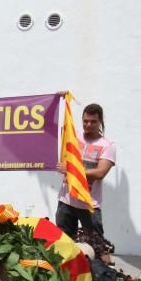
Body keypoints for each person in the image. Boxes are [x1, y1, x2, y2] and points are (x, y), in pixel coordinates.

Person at [56, 102, 116, 243]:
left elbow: (100, 173)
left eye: (93, 121)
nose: (88, 125)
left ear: (100, 121)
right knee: (64, 244)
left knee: (98, 246)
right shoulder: (73, 137)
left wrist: (71, 171)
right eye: (85, 121)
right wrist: (61, 100)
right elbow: (55, 127)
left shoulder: (107, 145)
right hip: (66, 201)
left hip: (89, 204)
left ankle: (104, 265)